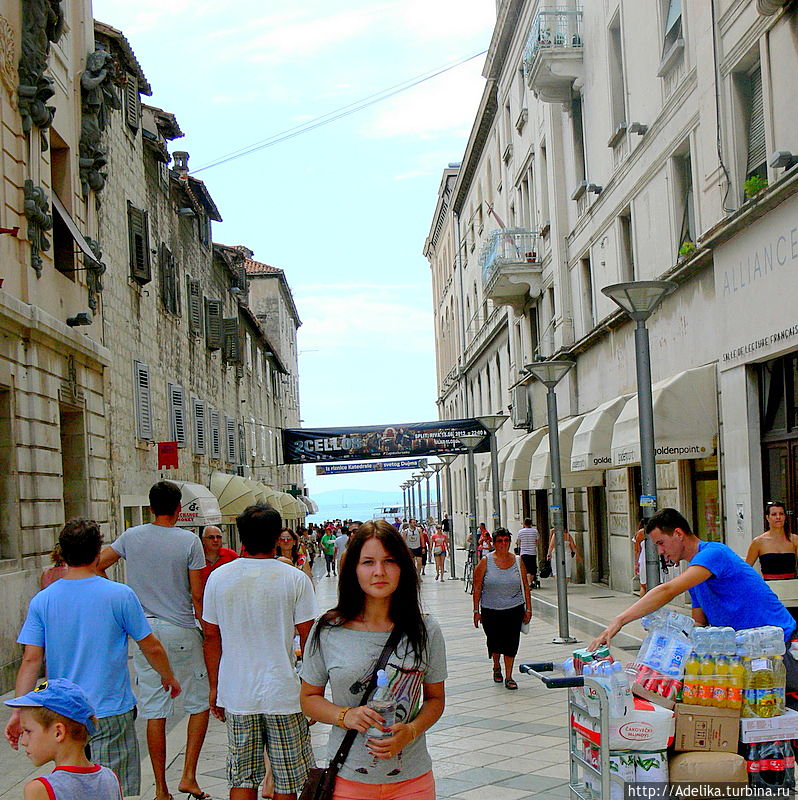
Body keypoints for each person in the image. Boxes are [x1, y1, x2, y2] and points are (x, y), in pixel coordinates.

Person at [6, 517, 180, 798]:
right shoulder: (120, 595)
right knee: (113, 786)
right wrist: (168, 676)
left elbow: (31, 660)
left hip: (63, 712)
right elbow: (151, 646)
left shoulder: (43, 600)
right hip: (110, 709)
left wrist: (19, 711)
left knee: (69, 783)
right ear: (98, 553)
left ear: (62, 553)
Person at [300, 520, 447, 800]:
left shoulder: (426, 629)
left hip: (412, 780)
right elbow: (308, 697)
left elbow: (435, 699)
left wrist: (411, 730)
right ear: (354, 569)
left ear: (402, 567)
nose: (379, 572)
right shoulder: (329, 629)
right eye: (368, 562)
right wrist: (345, 715)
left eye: (389, 561)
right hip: (347, 779)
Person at [98, 481, 210, 800]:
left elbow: (97, 564)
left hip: (144, 630)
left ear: (150, 508)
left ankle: (160, 788)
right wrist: (208, 632)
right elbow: (197, 595)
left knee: (154, 709)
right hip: (181, 627)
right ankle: (188, 775)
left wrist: (120, 597)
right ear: (179, 509)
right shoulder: (190, 541)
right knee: (198, 701)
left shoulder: (131, 536)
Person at [588, 508, 798, 676]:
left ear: (678, 533)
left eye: (661, 543)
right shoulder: (696, 575)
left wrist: (619, 621)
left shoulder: (713, 554)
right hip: (748, 653)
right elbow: (699, 625)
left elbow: (668, 590)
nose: (660, 551)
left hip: (779, 647)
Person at [204, 504, 317, 800]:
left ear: (241, 537)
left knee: (242, 776)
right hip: (284, 692)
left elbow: (211, 636)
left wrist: (214, 687)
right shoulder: (294, 579)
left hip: (238, 691)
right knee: (288, 779)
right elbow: (309, 637)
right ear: (278, 536)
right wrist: (312, 690)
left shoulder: (218, 578)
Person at [5, 678, 123, 800]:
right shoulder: (110, 779)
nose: (23, 741)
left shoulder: (40, 789)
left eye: (28, 731)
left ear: (58, 732)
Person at [473, 528, 532, 690]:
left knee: (511, 642)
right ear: (493, 542)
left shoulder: (518, 561)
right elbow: (477, 587)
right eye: (500, 541)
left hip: (514, 608)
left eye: (506, 540)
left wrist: (529, 609)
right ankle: (496, 665)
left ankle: (509, 676)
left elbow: (525, 587)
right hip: (490, 609)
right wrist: (476, 611)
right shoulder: (486, 561)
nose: (504, 544)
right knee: (494, 641)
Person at [746, 501, 798, 580]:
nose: (778, 517)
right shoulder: (758, 542)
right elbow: (746, 570)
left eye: (781, 514)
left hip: (791, 587)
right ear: (767, 517)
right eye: (774, 514)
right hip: (769, 587)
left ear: (785, 516)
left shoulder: (794, 539)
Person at [200, 525, 238, 590]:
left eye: (218, 537)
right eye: (211, 537)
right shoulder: (197, 557)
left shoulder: (231, 555)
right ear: (203, 540)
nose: (215, 540)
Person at [515, 519, 540, 590]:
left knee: (526, 569)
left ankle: (529, 583)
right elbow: (537, 541)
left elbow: (518, 542)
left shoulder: (520, 532)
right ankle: (530, 582)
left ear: (524, 524)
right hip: (532, 552)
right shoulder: (535, 531)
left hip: (524, 553)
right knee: (532, 569)